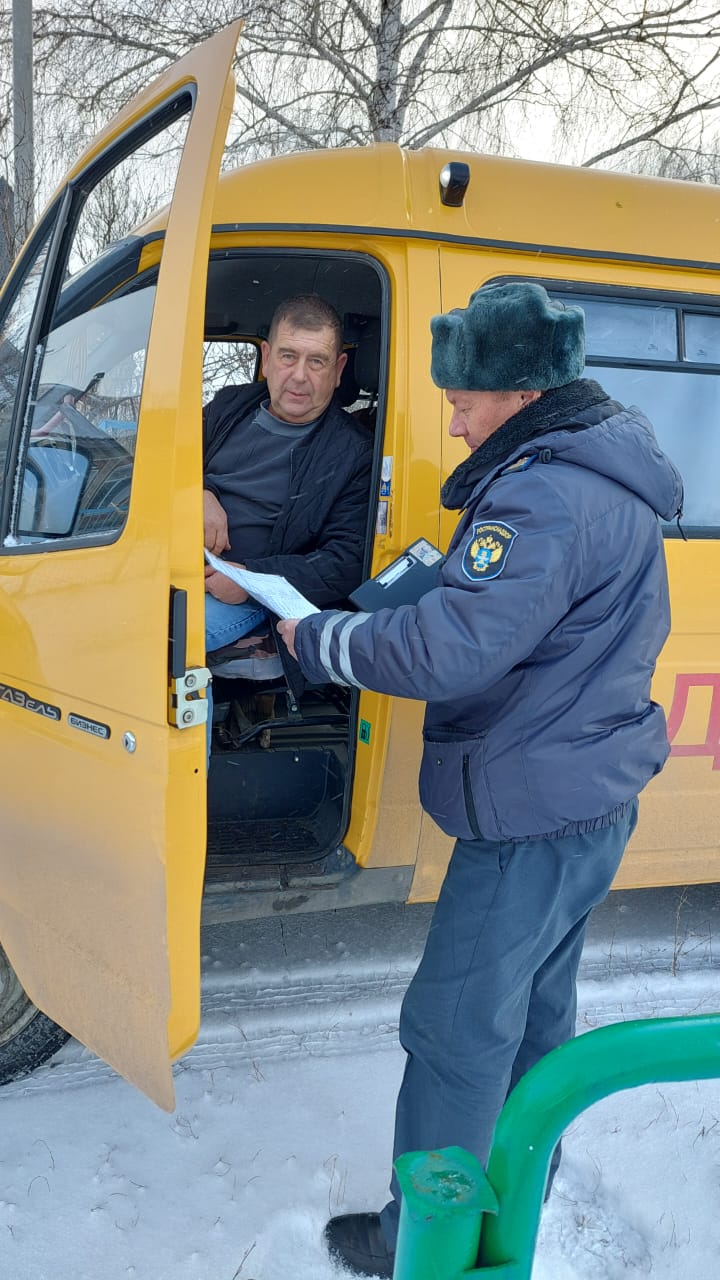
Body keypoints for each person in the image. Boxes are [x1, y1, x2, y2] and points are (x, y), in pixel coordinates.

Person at [277, 280, 683, 1278]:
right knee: (537, 1008)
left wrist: (325, 638)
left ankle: (428, 1236)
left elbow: (455, 649)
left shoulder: (545, 490)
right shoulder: (596, 468)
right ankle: (520, 1185)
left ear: (520, 393)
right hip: (583, 796)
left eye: (463, 403)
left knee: (458, 1027)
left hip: (531, 809)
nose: (452, 421)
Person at [202, 294, 373, 671]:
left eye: (317, 361)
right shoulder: (228, 407)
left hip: (246, 596)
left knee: (156, 639)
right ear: (266, 358)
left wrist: (251, 581)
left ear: (339, 368)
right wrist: (201, 492)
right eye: (288, 356)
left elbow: (345, 561)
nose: (299, 376)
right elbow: (165, 458)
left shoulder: (353, 454)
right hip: (169, 563)